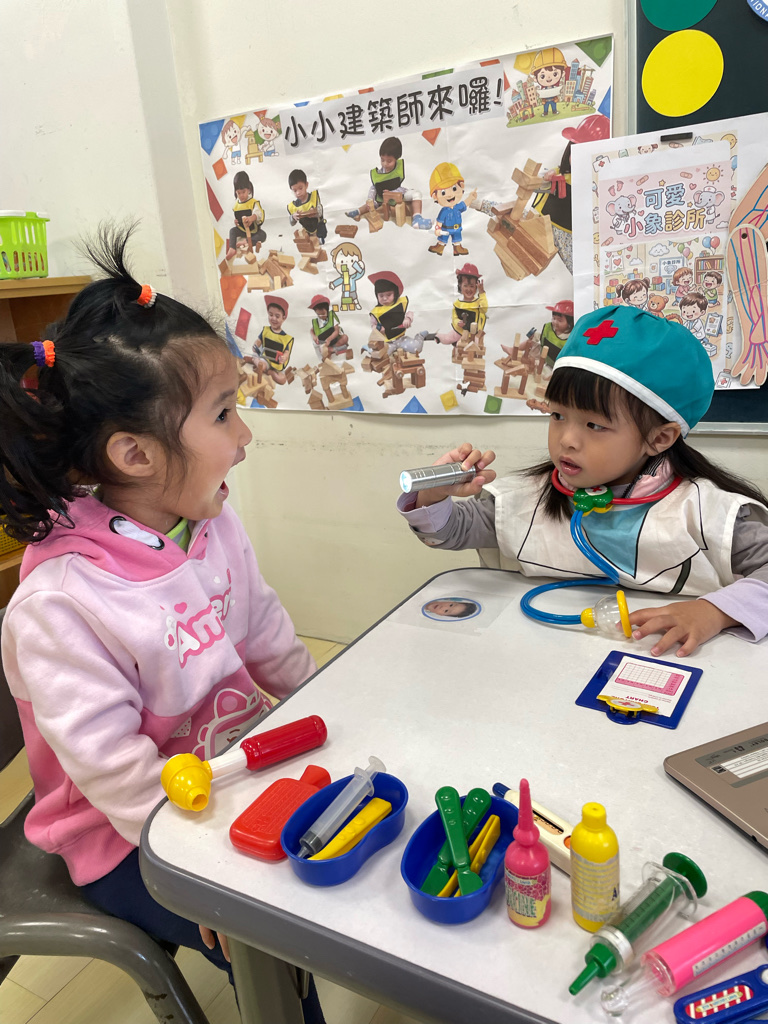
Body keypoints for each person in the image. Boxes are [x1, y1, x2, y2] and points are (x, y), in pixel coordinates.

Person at [0, 226, 325, 1023]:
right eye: (224, 414)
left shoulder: (207, 521)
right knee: (279, 932)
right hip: (125, 833)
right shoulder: (62, 603)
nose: (244, 436)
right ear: (136, 455)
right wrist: (194, 866)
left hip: (225, 768)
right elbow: (115, 775)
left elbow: (262, 628)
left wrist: (326, 704)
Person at [397, 305, 768, 657]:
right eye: (558, 415)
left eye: (594, 424)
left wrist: (714, 612)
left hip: (663, 663)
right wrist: (434, 496)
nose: (567, 440)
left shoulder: (710, 513)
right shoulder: (527, 498)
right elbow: (449, 533)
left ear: (659, 438)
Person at [346, 136, 432, 230]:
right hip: (382, 199)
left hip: (399, 195)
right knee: (370, 204)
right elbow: (373, 187)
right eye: (382, 160)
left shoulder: (398, 170)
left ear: (397, 158)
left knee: (417, 194)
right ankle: (357, 211)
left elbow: (400, 189)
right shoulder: (378, 173)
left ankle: (417, 219)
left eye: (389, 161)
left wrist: (392, 193)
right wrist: (370, 198)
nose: (385, 164)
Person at [226, 169, 266, 259]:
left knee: (263, 235)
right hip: (242, 230)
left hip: (253, 231)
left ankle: (246, 242)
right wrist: (236, 222)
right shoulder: (236, 205)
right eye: (238, 193)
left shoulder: (253, 202)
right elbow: (237, 218)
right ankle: (232, 248)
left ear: (248, 189)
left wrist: (251, 218)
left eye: (243, 192)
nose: (241, 195)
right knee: (232, 231)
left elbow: (257, 214)